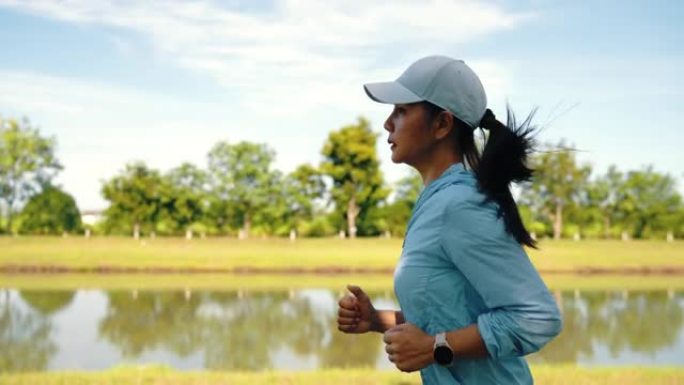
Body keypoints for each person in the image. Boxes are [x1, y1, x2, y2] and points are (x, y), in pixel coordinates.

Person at [337, 56, 562, 384]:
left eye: (401, 110)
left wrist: (434, 348)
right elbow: (449, 315)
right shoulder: (437, 200)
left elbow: (537, 318)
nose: (388, 123)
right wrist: (375, 319)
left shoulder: (459, 204)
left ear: (442, 124)